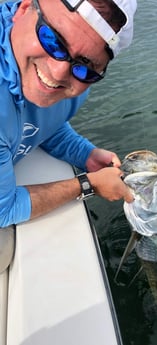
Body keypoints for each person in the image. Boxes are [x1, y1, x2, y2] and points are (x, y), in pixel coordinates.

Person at [0, 0, 137, 227]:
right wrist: (89, 184)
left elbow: (45, 122)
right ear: (23, 9)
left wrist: (85, 154)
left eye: (84, 66)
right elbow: (3, 210)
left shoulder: (73, 86)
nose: (58, 72)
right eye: (51, 39)